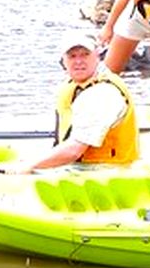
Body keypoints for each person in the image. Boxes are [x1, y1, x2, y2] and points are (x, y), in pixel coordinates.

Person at [12, 30, 139, 173]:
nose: (78, 61)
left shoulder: (102, 94)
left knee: (27, 168)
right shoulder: (75, 85)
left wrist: (30, 165)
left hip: (106, 171)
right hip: (82, 167)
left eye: (85, 54)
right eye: (72, 56)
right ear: (64, 61)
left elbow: (74, 150)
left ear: (97, 55)